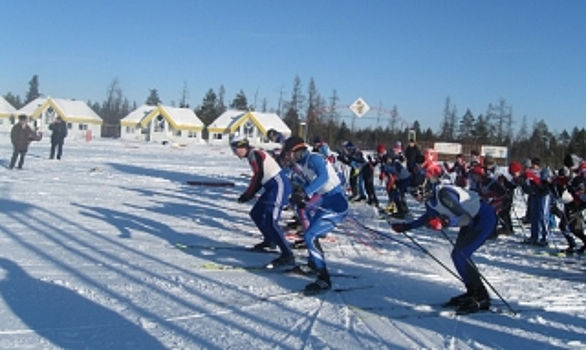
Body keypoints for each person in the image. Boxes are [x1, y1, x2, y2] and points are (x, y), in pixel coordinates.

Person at [391, 166, 497, 314]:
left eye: (417, 193)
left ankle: (481, 296)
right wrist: (406, 226)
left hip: (483, 219)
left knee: (462, 255)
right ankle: (472, 291)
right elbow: (428, 217)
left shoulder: (443, 194)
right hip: (472, 221)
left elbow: (463, 216)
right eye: (412, 194)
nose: (416, 197)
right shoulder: (430, 199)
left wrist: (445, 222)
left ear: (425, 187)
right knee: (457, 255)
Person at [282, 136, 348, 293]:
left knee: (310, 236)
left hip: (337, 204)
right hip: (326, 201)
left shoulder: (314, 158)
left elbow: (323, 177)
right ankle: (313, 265)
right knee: (311, 232)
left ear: (297, 151)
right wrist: (299, 197)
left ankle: (324, 279)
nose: (289, 157)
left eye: (290, 153)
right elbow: (308, 184)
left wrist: (305, 193)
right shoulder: (303, 164)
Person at [229, 135, 295, 268]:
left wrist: (248, 194)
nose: (234, 153)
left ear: (241, 146)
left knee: (271, 220)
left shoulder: (255, 154)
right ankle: (270, 240)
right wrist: (249, 194)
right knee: (256, 213)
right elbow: (259, 177)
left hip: (278, 185)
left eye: (234, 149)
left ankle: (287, 254)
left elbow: (258, 176)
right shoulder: (252, 154)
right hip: (271, 186)